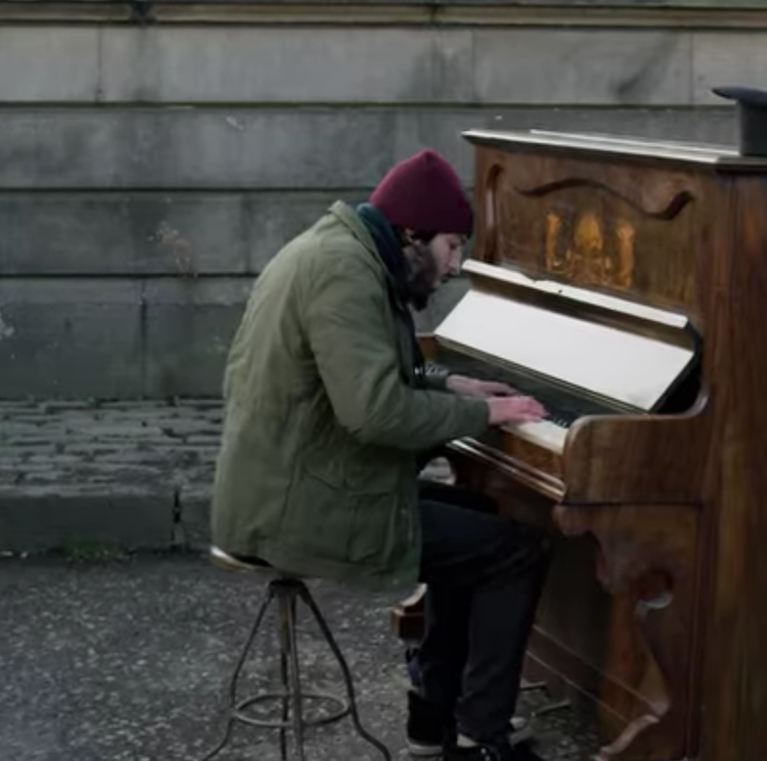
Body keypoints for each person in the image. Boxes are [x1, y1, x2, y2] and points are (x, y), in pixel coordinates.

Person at [210, 149, 551, 760]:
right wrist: (485, 415)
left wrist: (453, 385)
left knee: (480, 518)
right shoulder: (346, 275)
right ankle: (482, 734)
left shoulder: (348, 254)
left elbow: (391, 368)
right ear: (412, 234)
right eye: (452, 247)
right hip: (296, 508)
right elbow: (375, 411)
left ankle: (435, 714)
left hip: (298, 482)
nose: (455, 265)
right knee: (515, 551)